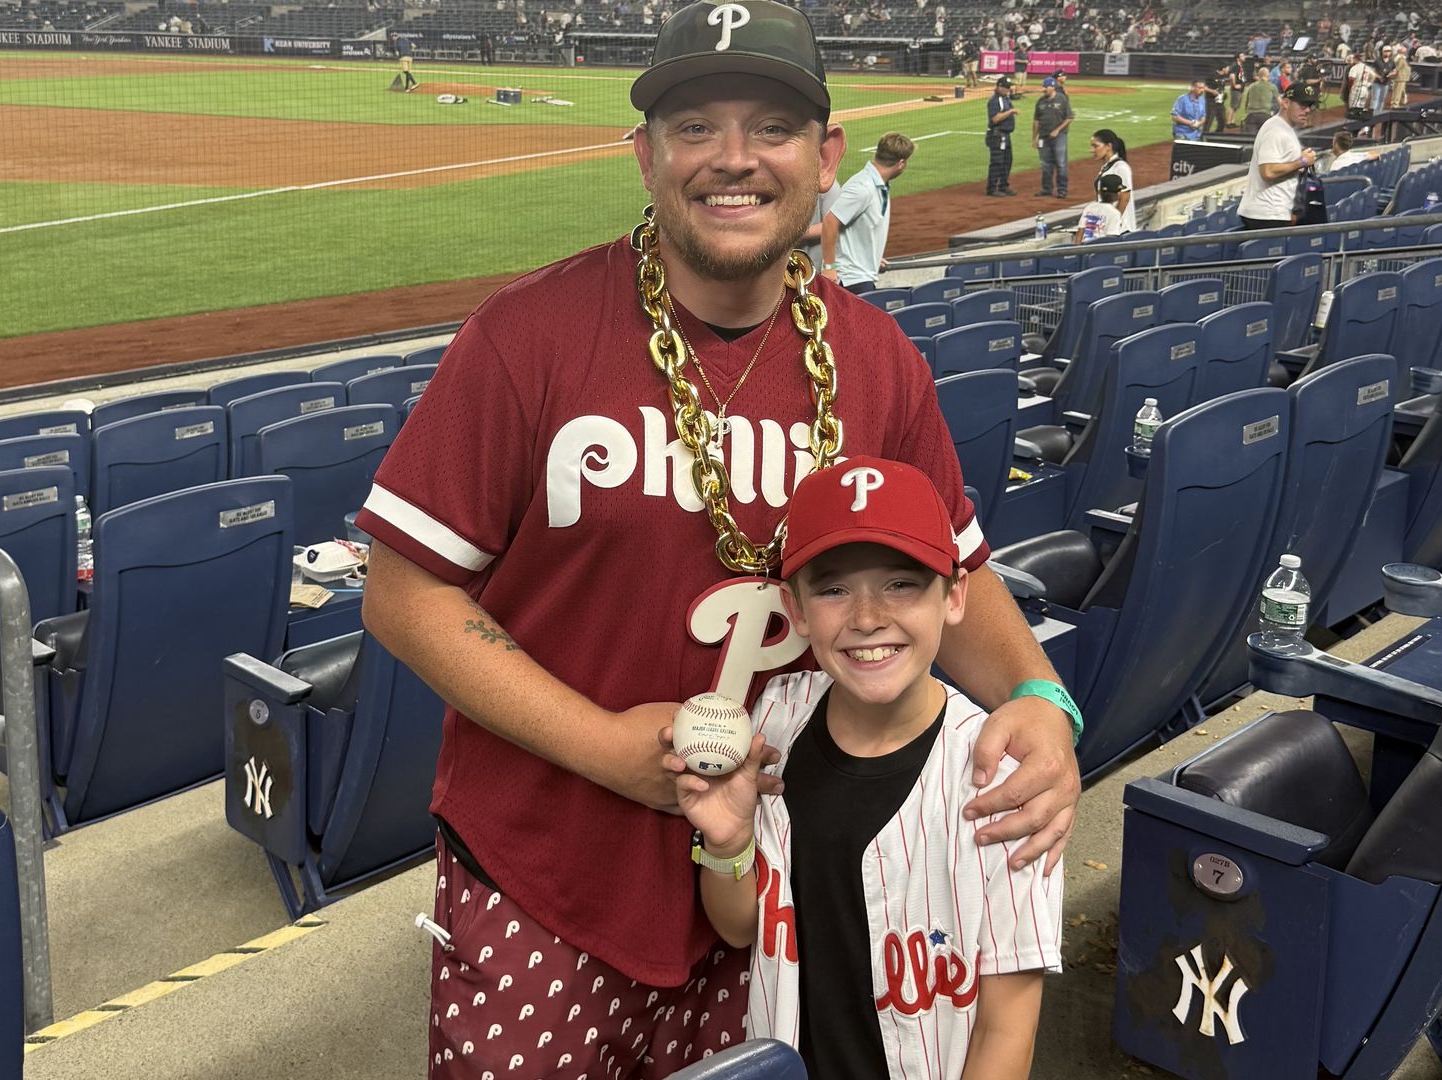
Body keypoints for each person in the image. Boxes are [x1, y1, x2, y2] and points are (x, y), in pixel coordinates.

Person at [353, 0, 1084, 1073]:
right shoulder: (527, 337)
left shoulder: (877, 364)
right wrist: (610, 748)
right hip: (547, 872)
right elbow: (403, 595)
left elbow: (955, 572)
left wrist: (1040, 700)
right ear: (644, 152)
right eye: (695, 127)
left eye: (772, 128)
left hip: (776, 889)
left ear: (825, 155)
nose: (732, 160)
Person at [670, 455, 1062, 1080]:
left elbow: (1006, 1027)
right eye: (832, 588)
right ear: (795, 610)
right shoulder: (774, 720)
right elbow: (740, 928)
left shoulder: (1007, 777)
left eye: (902, 583)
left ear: (955, 593)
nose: (867, 617)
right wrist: (727, 843)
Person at [822, 133, 913, 294]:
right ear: (901, 163)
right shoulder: (862, 188)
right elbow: (830, 222)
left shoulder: (878, 185)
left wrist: (872, 257)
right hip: (851, 279)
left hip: (862, 275)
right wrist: (829, 268)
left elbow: (863, 228)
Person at [1242, 83, 1320, 229]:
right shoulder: (1275, 131)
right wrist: (1302, 161)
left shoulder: (1284, 128)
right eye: (1302, 105)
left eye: (1310, 106)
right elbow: (1268, 172)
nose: (1307, 110)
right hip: (1266, 215)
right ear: (1285, 103)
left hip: (1274, 213)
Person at [1033, 78, 1073, 198]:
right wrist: (1034, 138)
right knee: (1045, 164)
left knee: (1061, 163)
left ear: (1052, 87)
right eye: (1043, 87)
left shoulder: (1062, 99)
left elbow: (1069, 117)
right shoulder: (1040, 101)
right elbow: (1036, 121)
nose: (1043, 89)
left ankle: (1062, 190)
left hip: (1059, 136)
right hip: (1043, 137)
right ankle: (1046, 189)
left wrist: (1057, 130)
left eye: (1046, 87)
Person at [1089, 128, 1134, 232]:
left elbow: (1125, 197)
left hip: (1121, 229)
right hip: (1109, 225)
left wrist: (1113, 222)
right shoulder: (1107, 167)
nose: (1092, 150)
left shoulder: (1120, 167)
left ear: (1108, 146)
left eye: (1095, 146)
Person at [986, 75, 1018, 196]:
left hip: (1005, 135)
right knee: (997, 162)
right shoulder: (995, 101)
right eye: (1005, 87)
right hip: (997, 135)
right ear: (999, 87)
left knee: (1007, 161)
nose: (1007, 89)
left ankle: (1003, 186)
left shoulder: (1005, 98)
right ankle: (992, 188)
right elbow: (995, 119)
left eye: (1008, 87)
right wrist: (1010, 111)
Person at [1075, 172, 1126, 243]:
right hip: (1101, 252)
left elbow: (1080, 233)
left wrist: (1077, 253)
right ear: (1118, 193)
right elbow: (1111, 240)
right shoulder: (1114, 213)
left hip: (1085, 250)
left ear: (1100, 192)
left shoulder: (1090, 207)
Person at [1241, 63, 1277, 131]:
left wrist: (1247, 114)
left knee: (1250, 139)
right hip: (1265, 116)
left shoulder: (1251, 86)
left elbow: (1246, 102)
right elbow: (1280, 102)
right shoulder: (1272, 86)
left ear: (1258, 75)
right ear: (1268, 75)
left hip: (1251, 116)